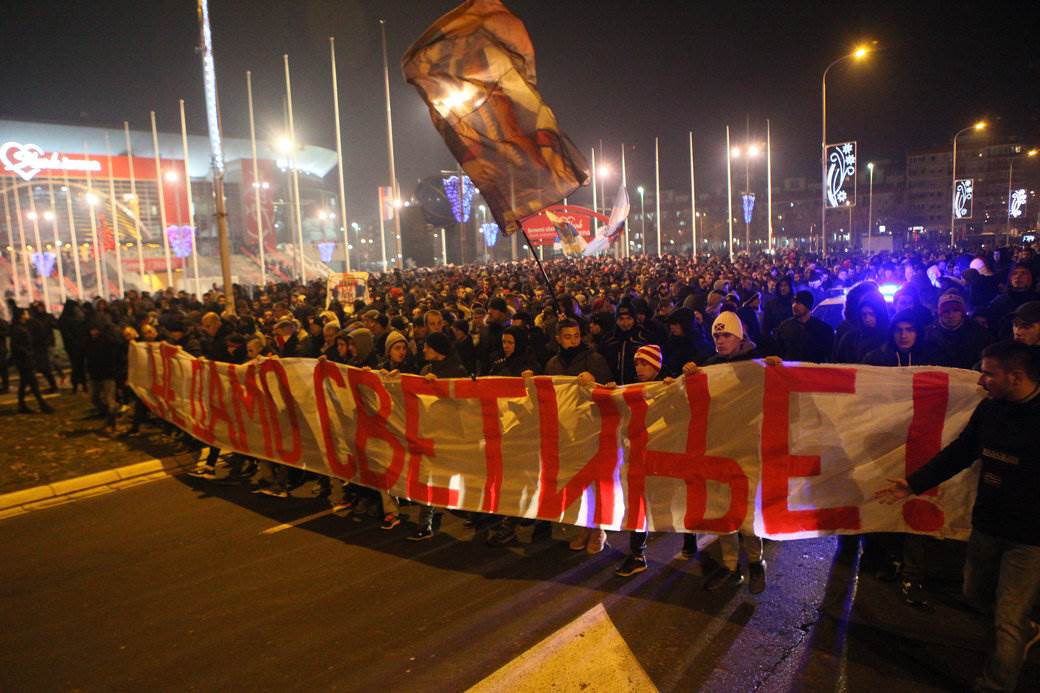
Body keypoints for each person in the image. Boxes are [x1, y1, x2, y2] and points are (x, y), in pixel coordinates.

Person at [876, 340, 1040, 692]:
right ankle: (1018, 633)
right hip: (987, 525)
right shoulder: (990, 410)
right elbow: (960, 453)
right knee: (975, 593)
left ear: (1016, 376)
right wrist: (913, 484)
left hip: (1029, 539)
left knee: (1007, 619)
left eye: (988, 374)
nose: (980, 381)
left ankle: (996, 683)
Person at [701, 311, 770, 593]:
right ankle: (730, 566)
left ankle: (756, 561)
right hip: (718, 447)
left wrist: (779, 369)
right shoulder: (710, 366)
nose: (720, 340)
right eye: (716, 335)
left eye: (726, 334)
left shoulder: (757, 365)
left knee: (747, 511)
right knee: (722, 509)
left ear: (739, 337)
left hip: (748, 449)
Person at [408, 331, 468, 541]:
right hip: (432, 432)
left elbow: (462, 402)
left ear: (438, 350)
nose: (423, 350)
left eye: (427, 347)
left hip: (449, 435)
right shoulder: (429, 369)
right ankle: (425, 524)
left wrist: (439, 386)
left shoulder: (456, 371)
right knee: (429, 475)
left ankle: (473, 511)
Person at [615, 344, 666, 577]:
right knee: (638, 503)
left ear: (657, 366)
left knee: (675, 499)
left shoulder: (669, 388)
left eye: (645, 363)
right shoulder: (631, 389)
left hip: (661, 456)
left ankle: (690, 540)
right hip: (637, 456)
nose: (639, 367)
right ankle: (637, 553)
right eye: (636, 363)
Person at [925, 292, 994, 370]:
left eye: (955, 310)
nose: (951, 315)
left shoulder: (978, 333)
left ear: (962, 312)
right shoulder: (929, 334)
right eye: (946, 311)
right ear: (940, 313)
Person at [10, 307, 52, 414]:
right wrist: (27, 353)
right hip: (24, 361)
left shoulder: (22, 327)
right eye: (25, 313)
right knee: (33, 383)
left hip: (26, 360)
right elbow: (16, 346)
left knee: (24, 383)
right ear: (21, 316)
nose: (27, 314)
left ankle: (22, 405)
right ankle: (42, 404)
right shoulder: (17, 329)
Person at [772, 290, 834, 363]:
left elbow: (830, 357)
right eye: (793, 302)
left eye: (799, 303)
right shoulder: (785, 327)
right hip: (790, 372)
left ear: (808, 306)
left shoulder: (823, 329)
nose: (794, 306)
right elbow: (778, 353)